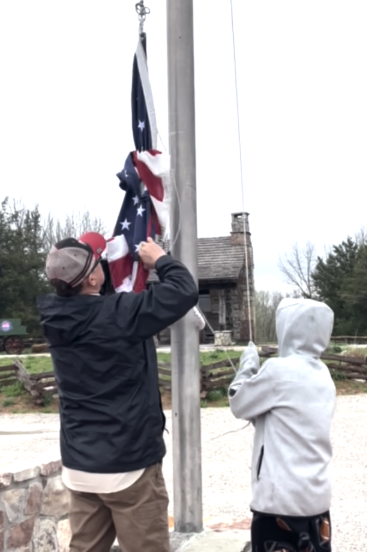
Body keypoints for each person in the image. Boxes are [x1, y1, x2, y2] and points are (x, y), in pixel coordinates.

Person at [37, 233, 198, 552]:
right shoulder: (121, 314)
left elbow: (93, 308)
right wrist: (160, 259)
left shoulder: (55, 319)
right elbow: (184, 290)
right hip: (129, 465)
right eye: (99, 264)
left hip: (80, 465)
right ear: (95, 276)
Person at [228, 298, 337, 552]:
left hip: (279, 504)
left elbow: (238, 402)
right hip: (317, 501)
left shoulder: (278, 370)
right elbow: (289, 422)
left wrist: (248, 365)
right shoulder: (324, 375)